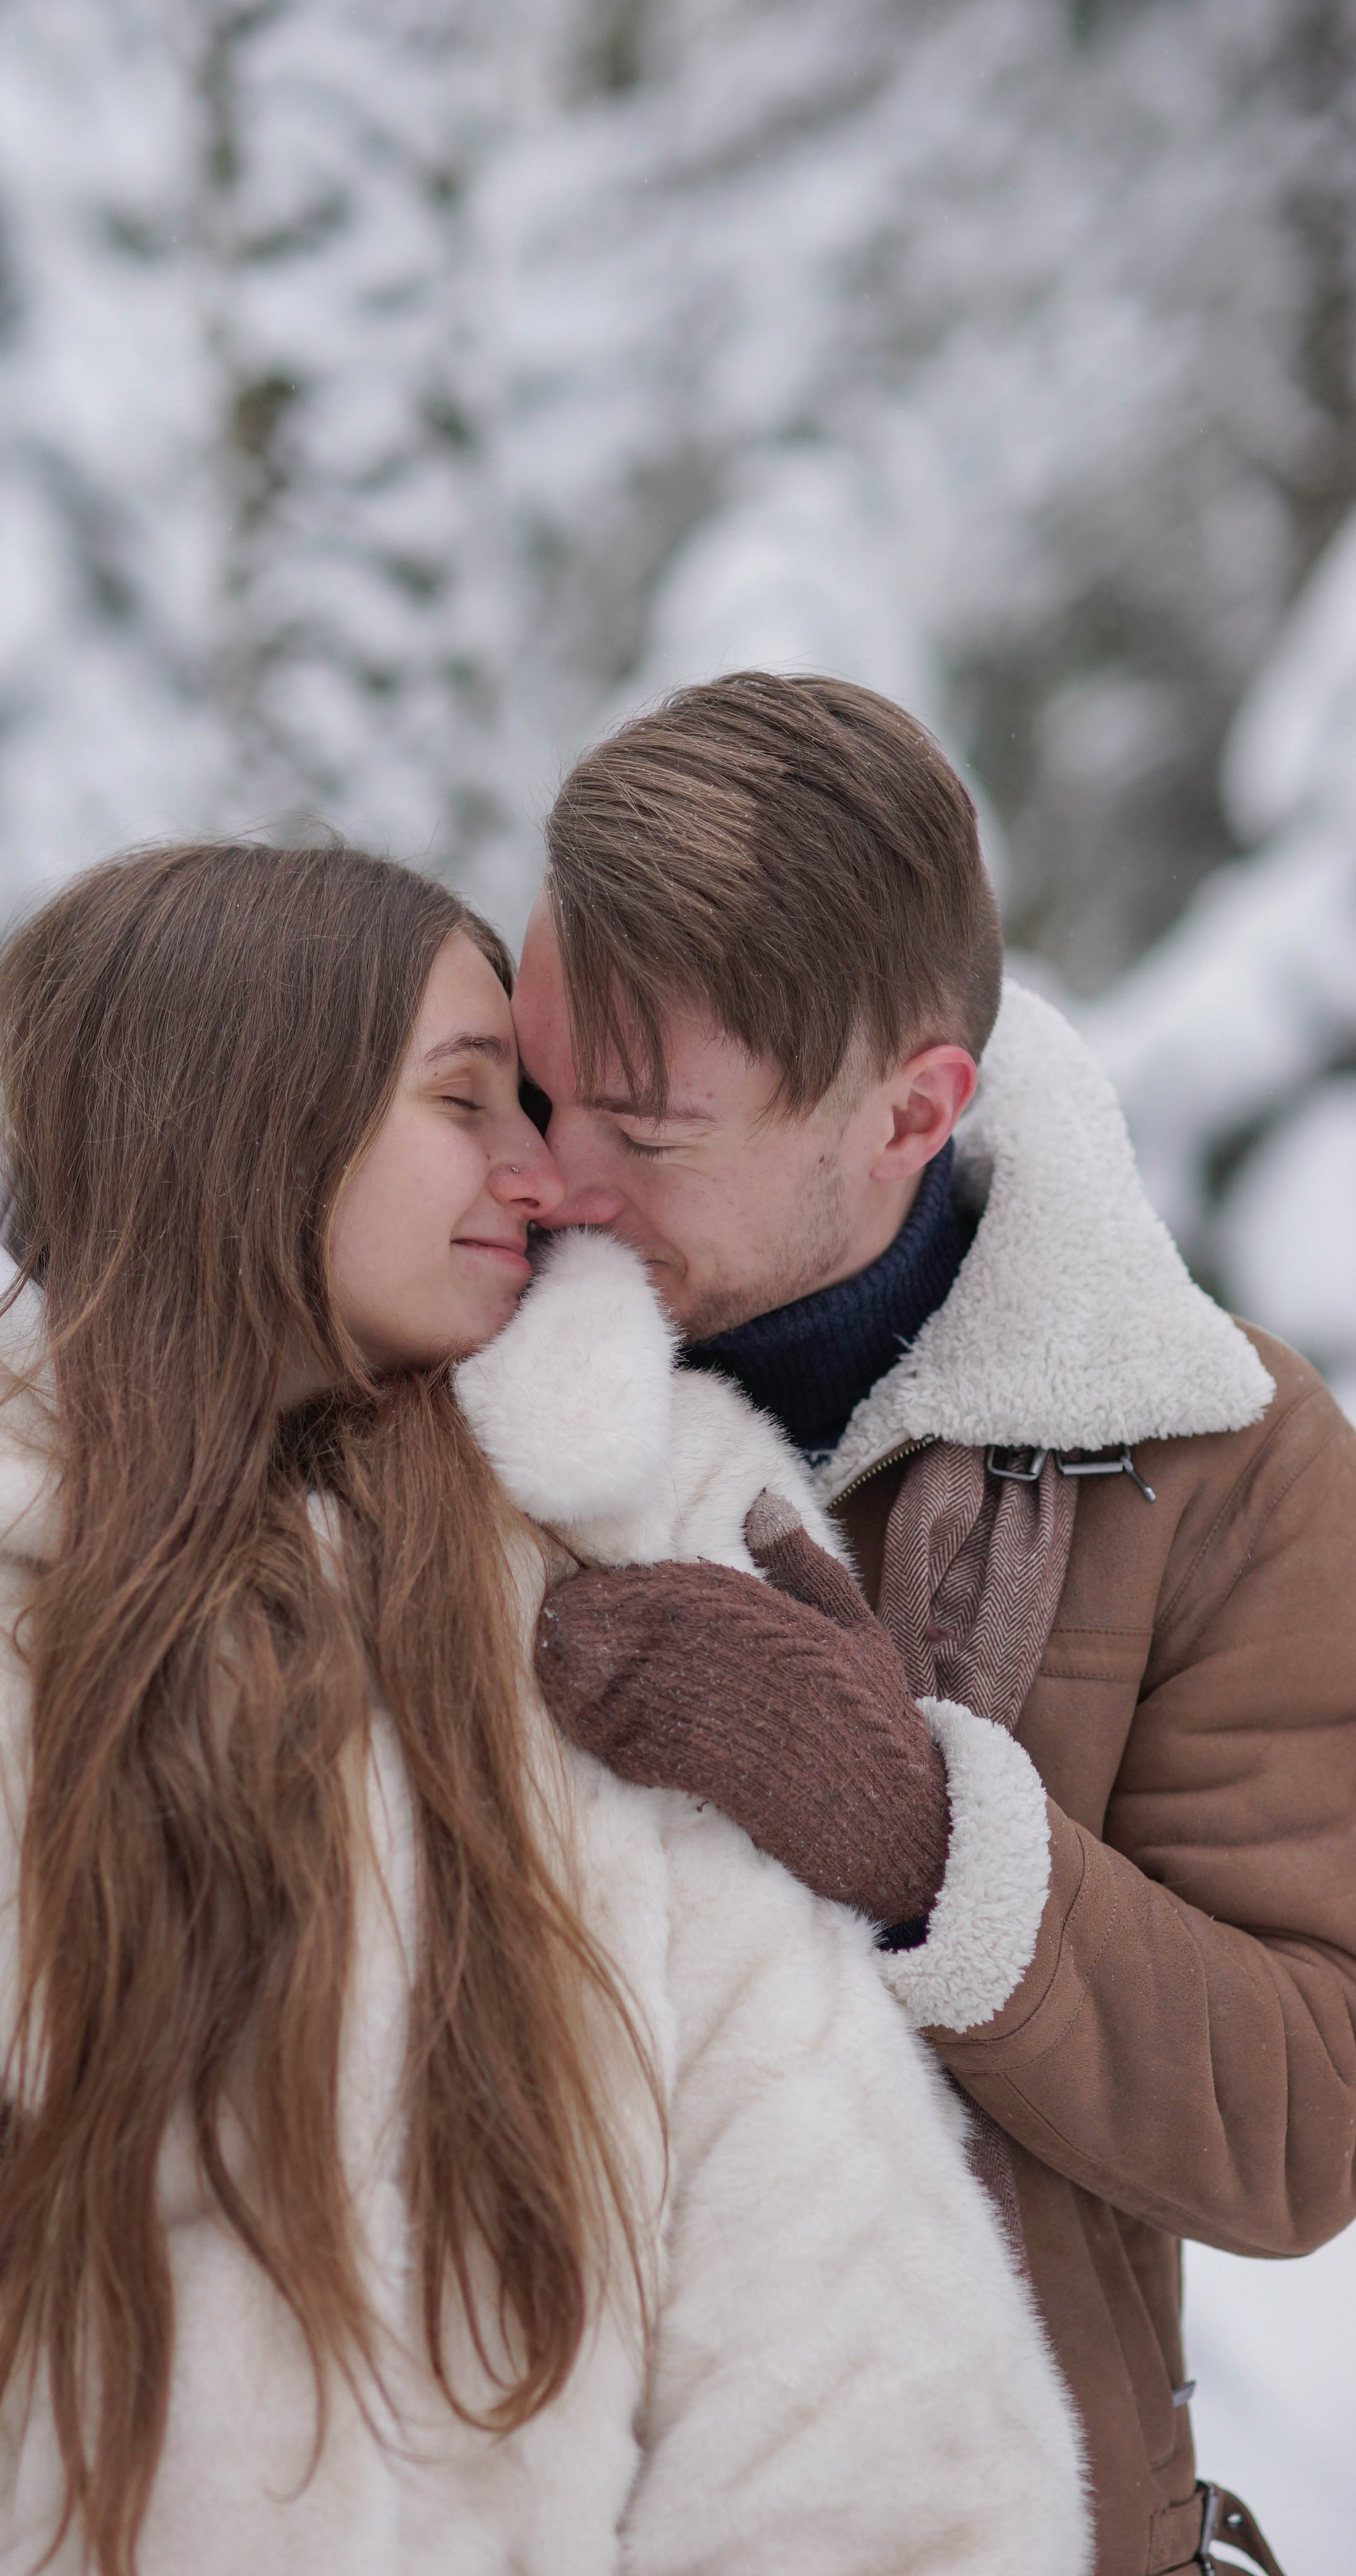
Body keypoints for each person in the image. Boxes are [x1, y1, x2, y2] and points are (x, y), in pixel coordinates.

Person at [0, 840, 1084, 2576]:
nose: (540, 1175)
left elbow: (830, 2305)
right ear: (243, 1113)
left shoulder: (617, 1555)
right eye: (466, 1101)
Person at [510, 672, 1353, 2576]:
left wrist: (928, 1845)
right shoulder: (427, 1360)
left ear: (912, 1111)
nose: (550, 1184)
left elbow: (1307, 2116)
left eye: (643, 1127)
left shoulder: (1221, 1466)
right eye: (536, 1086)